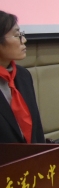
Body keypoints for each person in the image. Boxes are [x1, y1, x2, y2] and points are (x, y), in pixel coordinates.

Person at [0, 12, 45, 144]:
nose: (24, 40)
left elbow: (37, 129)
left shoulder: (23, 75)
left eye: (22, 34)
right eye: (17, 35)